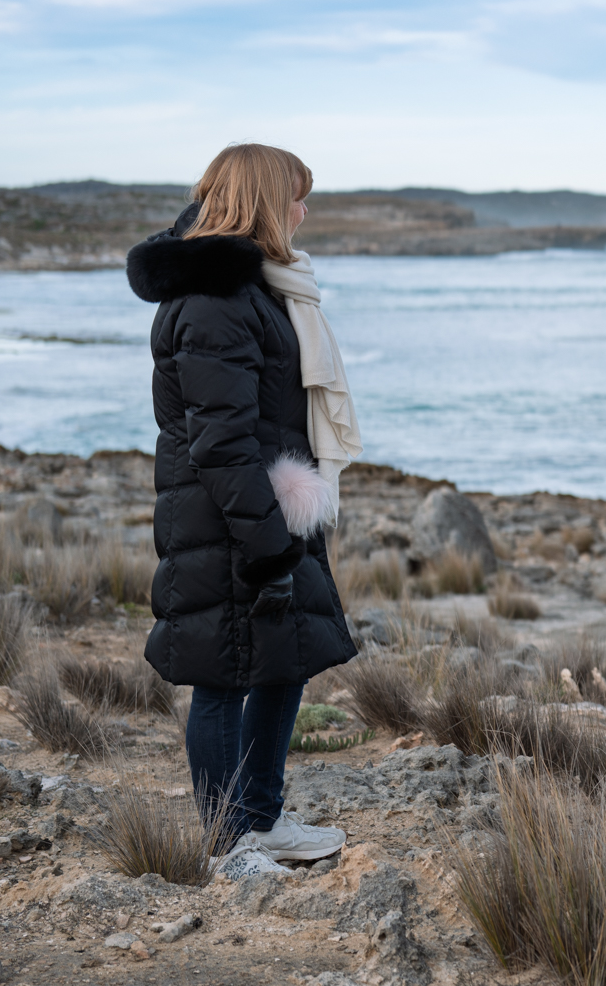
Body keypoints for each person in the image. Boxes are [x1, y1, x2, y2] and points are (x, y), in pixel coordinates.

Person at [127, 143, 362, 862]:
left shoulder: (259, 288)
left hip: (265, 511)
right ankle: (232, 845)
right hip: (228, 520)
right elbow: (220, 443)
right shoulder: (214, 300)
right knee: (224, 677)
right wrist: (265, 542)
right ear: (264, 202)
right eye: (296, 196)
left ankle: (263, 818)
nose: (304, 211)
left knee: (282, 662)